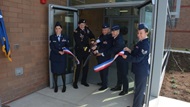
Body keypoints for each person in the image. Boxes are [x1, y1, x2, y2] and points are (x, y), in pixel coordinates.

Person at [94, 25, 129, 95]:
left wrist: (101, 53)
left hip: (123, 59)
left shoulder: (119, 40)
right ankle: (118, 86)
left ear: (118, 32)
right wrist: (97, 41)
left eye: (114, 31)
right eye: (112, 31)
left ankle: (125, 90)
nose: (112, 32)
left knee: (124, 74)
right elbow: (105, 37)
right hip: (118, 58)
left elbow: (112, 50)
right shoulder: (114, 36)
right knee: (119, 73)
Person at [121, 23, 150, 107]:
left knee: (139, 91)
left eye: (141, 33)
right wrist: (129, 50)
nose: (138, 35)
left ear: (146, 33)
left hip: (142, 71)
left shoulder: (145, 44)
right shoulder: (140, 42)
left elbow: (138, 58)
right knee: (138, 90)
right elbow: (135, 53)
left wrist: (127, 57)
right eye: (138, 33)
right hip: (139, 70)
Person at [73, 19, 95, 89]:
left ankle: (84, 81)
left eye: (84, 24)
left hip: (86, 52)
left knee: (85, 67)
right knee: (78, 67)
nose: (83, 25)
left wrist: (92, 41)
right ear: (79, 25)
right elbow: (78, 42)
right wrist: (86, 48)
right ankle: (75, 82)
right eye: (81, 24)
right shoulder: (76, 31)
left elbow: (92, 36)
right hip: (79, 51)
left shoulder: (87, 29)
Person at [49, 22, 69, 93]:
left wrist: (64, 51)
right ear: (55, 29)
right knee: (55, 72)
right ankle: (56, 86)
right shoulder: (52, 37)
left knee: (63, 72)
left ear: (61, 29)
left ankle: (64, 85)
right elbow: (52, 47)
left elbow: (67, 45)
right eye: (56, 28)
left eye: (59, 28)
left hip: (62, 58)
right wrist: (58, 52)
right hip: (55, 57)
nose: (57, 30)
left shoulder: (65, 37)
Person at [92, 24, 113, 91]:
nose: (104, 31)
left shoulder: (110, 37)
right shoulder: (101, 36)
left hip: (105, 56)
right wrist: (95, 46)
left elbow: (107, 48)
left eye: (105, 30)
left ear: (108, 30)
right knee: (101, 70)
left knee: (104, 71)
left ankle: (105, 85)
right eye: (103, 30)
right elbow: (99, 43)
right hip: (99, 56)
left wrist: (98, 51)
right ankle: (102, 82)